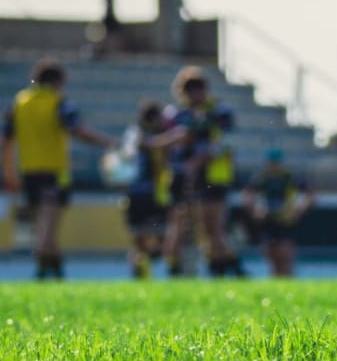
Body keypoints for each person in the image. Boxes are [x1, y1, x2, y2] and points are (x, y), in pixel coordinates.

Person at [1, 59, 117, 279]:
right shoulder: (59, 102)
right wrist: (109, 142)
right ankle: (42, 266)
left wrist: (9, 173)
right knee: (49, 224)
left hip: (28, 171)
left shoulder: (19, 103)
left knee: (44, 223)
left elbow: (5, 142)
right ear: (57, 81)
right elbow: (79, 131)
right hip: (54, 171)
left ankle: (56, 270)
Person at [162, 65, 247, 278]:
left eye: (197, 88)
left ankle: (231, 269)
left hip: (215, 176)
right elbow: (172, 146)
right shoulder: (178, 115)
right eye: (189, 89)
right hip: (187, 177)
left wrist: (201, 159)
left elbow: (227, 142)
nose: (194, 94)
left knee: (213, 227)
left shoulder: (219, 111)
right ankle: (209, 268)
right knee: (190, 226)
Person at [121, 100, 179, 279]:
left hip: (144, 192)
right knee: (146, 236)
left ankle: (148, 265)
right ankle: (144, 270)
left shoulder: (135, 134)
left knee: (149, 235)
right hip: (146, 192)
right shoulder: (143, 135)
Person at [242, 148, 316, 277]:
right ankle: (276, 281)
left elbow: (310, 195)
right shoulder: (262, 177)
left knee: (285, 253)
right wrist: (254, 210)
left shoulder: (289, 177)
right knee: (271, 254)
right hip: (268, 220)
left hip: (285, 220)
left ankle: (288, 281)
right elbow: (248, 194)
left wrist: (298, 210)